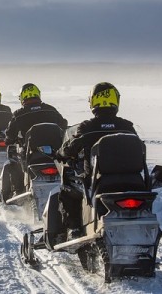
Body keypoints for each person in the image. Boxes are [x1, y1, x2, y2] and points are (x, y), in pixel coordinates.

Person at [57, 82, 137, 240]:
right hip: (133, 181)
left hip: (98, 181)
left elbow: (71, 148)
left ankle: (74, 228)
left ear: (93, 101)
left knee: (67, 189)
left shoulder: (88, 127)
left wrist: (61, 153)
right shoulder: (127, 126)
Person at [0, 83, 68, 202]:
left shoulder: (18, 114)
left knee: (13, 163)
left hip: (31, 154)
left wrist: (10, 140)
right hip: (55, 154)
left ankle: (18, 190)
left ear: (22, 98)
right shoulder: (51, 110)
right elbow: (63, 124)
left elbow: (10, 135)